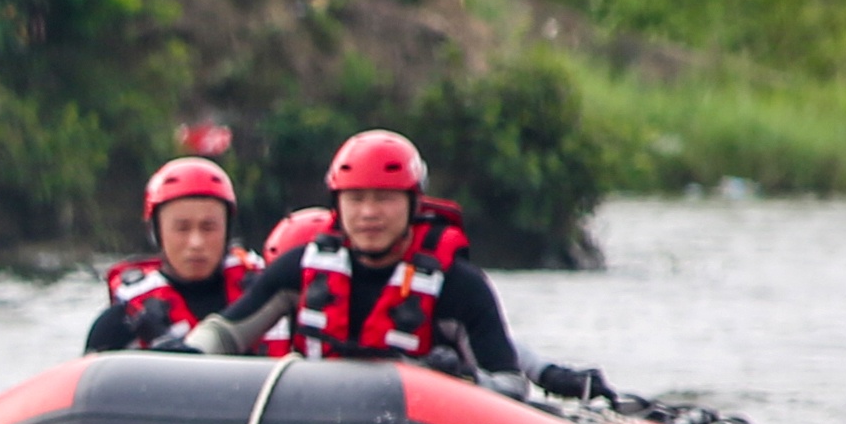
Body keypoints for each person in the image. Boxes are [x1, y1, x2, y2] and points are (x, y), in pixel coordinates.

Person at [194, 129, 526, 375]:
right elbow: (226, 334)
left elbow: (509, 384)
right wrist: (185, 353)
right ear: (337, 205)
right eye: (355, 199)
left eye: (384, 198)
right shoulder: (297, 269)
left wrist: (462, 380)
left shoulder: (460, 287)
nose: (368, 213)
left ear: (413, 204)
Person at [83, 157, 263, 351]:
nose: (196, 243)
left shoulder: (270, 293)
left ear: (228, 230)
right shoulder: (121, 323)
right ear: (156, 232)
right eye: (182, 229)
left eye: (209, 228)